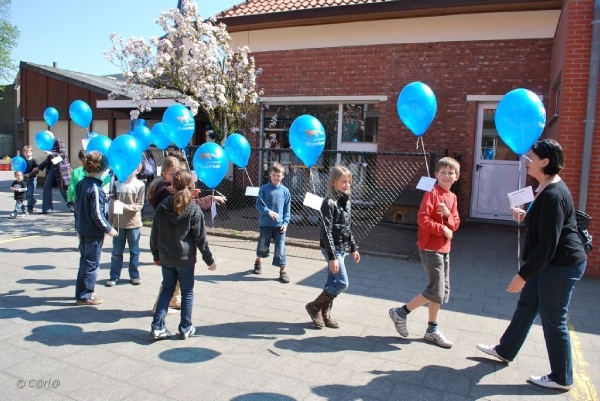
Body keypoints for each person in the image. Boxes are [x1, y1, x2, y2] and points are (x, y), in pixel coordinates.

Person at [477, 139, 587, 391]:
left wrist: (523, 275)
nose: (526, 160)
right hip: (549, 262)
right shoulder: (545, 186)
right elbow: (546, 226)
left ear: (545, 162)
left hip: (561, 265)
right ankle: (505, 350)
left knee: (553, 320)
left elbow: (549, 243)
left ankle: (561, 377)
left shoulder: (553, 194)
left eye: (531, 157)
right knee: (526, 306)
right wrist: (527, 216)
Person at [388, 157, 460, 348]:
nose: (446, 175)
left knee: (441, 292)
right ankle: (401, 312)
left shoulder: (452, 197)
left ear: (457, 176)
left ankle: (432, 329)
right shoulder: (432, 192)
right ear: (436, 175)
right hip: (430, 247)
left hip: (445, 248)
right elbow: (422, 218)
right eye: (442, 172)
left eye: (450, 172)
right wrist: (441, 229)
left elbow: (456, 223)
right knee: (435, 289)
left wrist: (448, 217)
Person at [147, 156, 225, 314]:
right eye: (175, 173)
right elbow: (192, 211)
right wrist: (208, 198)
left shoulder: (165, 189)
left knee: (171, 283)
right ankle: (162, 310)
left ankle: (173, 302)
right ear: (165, 174)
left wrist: (190, 194)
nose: (177, 176)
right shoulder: (167, 191)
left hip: (167, 247)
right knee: (173, 285)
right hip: (179, 250)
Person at [150, 169, 216, 340]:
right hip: (185, 259)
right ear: (192, 187)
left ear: (173, 185)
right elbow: (201, 238)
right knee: (187, 292)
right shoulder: (193, 209)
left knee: (167, 290)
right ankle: (185, 327)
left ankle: (157, 327)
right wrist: (209, 260)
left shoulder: (162, 206)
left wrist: (156, 255)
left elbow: (154, 234)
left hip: (166, 257)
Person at [305, 166, 360, 328]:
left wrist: (354, 248)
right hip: (332, 249)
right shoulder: (329, 203)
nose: (347, 185)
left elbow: (347, 228)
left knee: (331, 283)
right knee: (342, 283)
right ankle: (314, 306)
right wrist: (332, 257)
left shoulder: (346, 201)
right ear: (334, 182)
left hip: (342, 248)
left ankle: (325, 314)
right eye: (343, 181)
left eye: (349, 182)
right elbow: (326, 232)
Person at [74, 151, 118, 305]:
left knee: (84, 262)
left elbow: (77, 209)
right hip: (92, 231)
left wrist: (77, 228)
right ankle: (86, 295)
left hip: (83, 229)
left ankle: (82, 291)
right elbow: (97, 214)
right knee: (91, 263)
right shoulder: (94, 188)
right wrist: (108, 228)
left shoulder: (81, 184)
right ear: (101, 169)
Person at [106, 163, 145, 287]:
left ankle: (134, 275)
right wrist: (110, 222)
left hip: (134, 224)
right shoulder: (117, 184)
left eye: (133, 168)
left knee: (134, 251)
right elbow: (112, 203)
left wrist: (124, 206)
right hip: (119, 224)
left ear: (138, 171)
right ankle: (114, 276)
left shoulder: (140, 185)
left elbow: (139, 205)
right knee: (116, 252)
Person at [254, 162, 291, 283]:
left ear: (283, 176)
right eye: (274, 175)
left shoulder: (285, 191)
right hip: (265, 224)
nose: (276, 177)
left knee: (281, 249)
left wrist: (285, 223)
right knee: (263, 246)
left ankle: (282, 271)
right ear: (270, 174)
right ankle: (258, 261)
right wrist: (268, 212)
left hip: (279, 226)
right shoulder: (264, 189)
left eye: (278, 175)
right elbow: (258, 205)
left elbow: (287, 210)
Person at [33, 138, 72, 214]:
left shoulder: (59, 142)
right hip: (52, 169)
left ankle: (73, 206)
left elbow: (63, 155)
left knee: (64, 190)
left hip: (61, 170)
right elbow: (48, 159)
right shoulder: (49, 145)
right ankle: (47, 209)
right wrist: (39, 167)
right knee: (46, 187)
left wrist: (51, 153)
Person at [22, 145, 39, 213]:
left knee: (30, 194)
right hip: (24, 179)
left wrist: (29, 174)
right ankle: (33, 201)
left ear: (31, 152)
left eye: (29, 152)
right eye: (26, 152)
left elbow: (36, 170)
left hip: (32, 179)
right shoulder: (23, 160)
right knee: (25, 194)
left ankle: (30, 207)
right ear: (23, 153)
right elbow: (20, 168)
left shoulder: (34, 160)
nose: (27, 154)